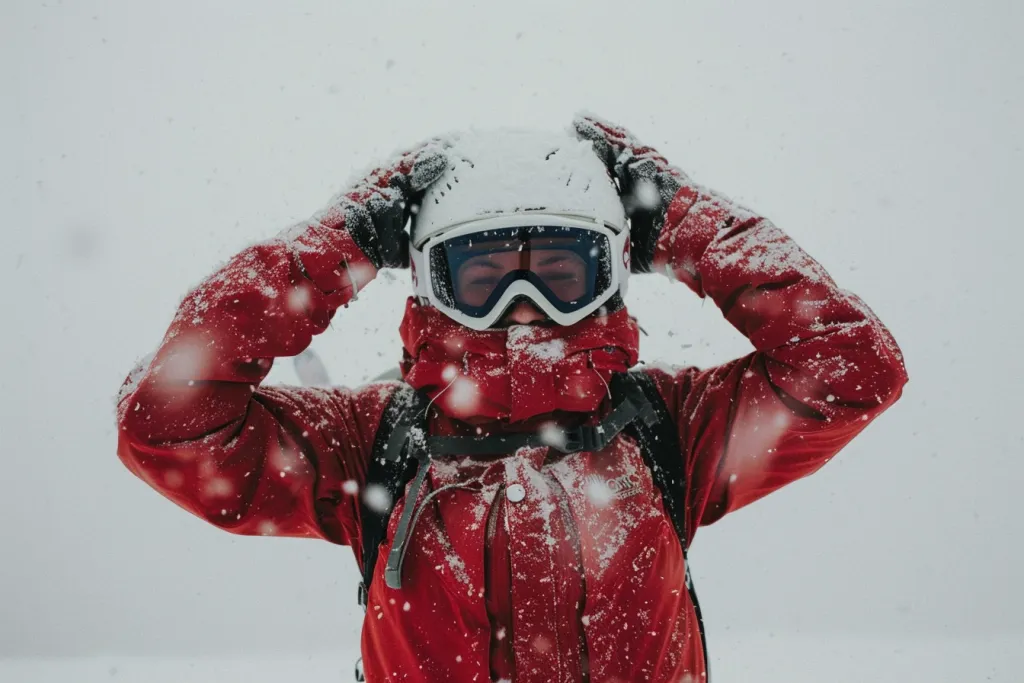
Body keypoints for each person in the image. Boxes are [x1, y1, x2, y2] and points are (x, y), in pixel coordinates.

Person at [116, 114, 907, 683]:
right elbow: (167, 421)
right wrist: (342, 242)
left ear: (613, 273)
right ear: (429, 283)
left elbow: (852, 365)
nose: (523, 308)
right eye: (483, 278)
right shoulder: (377, 443)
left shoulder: (668, 430)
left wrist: (680, 220)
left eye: (562, 275)